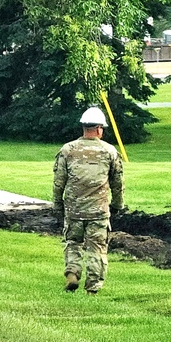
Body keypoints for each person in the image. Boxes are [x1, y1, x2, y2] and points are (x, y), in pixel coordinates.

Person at [53, 106, 125, 294]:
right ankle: (93, 287)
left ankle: (73, 273)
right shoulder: (109, 151)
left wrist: (57, 204)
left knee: (73, 243)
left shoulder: (68, 149)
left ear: (83, 127)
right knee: (97, 248)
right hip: (98, 210)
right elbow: (117, 183)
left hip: (74, 209)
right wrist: (117, 204)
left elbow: (59, 182)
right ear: (99, 129)